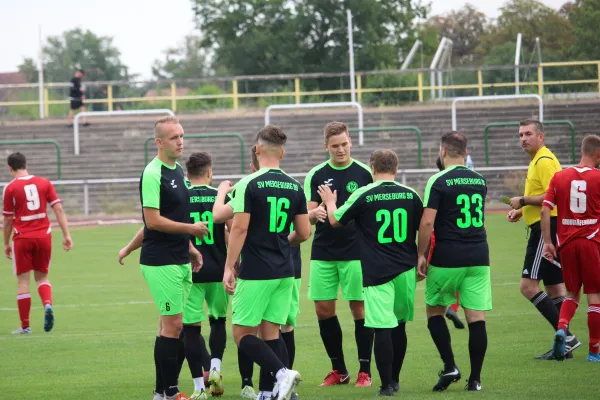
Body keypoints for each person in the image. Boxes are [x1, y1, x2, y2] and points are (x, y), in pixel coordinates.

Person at [120, 152, 231, 399]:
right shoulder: (218, 198)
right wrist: (233, 264)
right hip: (214, 268)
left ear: (187, 174)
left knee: (186, 328)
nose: (180, 142)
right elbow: (233, 230)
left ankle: (195, 388)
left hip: (190, 267)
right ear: (210, 172)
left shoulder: (183, 193)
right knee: (215, 322)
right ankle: (212, 370)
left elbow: (147, 227)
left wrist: (127, 248)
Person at [213, 145, 316, 400]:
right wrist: (281, 243)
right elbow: (304, 233)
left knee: (242, 335)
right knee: (271, 333)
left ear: (257, 150)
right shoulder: (295, 185)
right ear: (282, 152)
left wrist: (228, 266)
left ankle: (283, 374)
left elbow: (233, 226)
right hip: (285, 271)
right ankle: (271, 392)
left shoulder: (248, 183)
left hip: (256, 271)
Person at [318, 149, 421, 396]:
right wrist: (421, 256)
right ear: (396, 168)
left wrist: (331, 202)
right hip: (406, 269)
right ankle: (395, 379)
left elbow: (335, 220)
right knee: (400, 326)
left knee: (382, 327)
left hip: (377, 271)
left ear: (372, 168)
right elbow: (424, 225)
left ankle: (386, 386)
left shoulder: (363, 194)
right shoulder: (412, 195)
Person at [139, 116, 208, 400]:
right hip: (160, 259)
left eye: (181, 135)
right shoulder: (153, 173)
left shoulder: (178, 170)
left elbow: (176, 216)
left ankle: (160, 392)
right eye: (173, 137)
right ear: (159, 142)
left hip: (179, 257)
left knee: (170, 326)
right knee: (174, 326)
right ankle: (170, 392)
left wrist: (189, 246)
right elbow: (152, 221)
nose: (180, 141)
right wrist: (190, 230)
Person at [417, 131, 491, 392]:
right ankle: (475, 380)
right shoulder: (480, 180)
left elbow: (427, 221)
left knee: (434, 311)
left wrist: (421, 254)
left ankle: (450, 365)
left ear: (443, 151)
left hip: (448, 256)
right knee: (476, 317)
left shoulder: (438, 180)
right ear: (466, 153)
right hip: (479, 256)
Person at [304, 121, 374, 387]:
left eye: (344, 144)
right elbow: (307, 214)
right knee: (323, 310)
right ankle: (339, 370)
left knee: (359, 309)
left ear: (350, 142)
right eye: (335, 146)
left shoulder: (365, 173)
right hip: (323, 251)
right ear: (326, 147)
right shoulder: (316, 174)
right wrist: (314, 213)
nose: (341, 150)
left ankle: (364, 371)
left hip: (357, 251)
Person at [506, 119, 580, 359]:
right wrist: (521, 210)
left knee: (527, 286)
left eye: (528, 134)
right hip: (547, 225)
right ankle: (564, 347)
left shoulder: (545, 160)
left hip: (546, 228)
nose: (523, 138)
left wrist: (524, 201)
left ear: (541, 136)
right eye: (520, 135)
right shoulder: (537, 160)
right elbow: (544, 195)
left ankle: (567, 338)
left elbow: (556, 195)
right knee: (554, 288)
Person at [541, 135, 600, 363]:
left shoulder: (560, 177)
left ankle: (563, 329)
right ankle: (594, 352)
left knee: (572, 293)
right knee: (594, 296)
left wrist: (548, 242)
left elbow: (545, 210)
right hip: (591, 242)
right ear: (597, 154)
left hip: (566, 244)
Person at [2, 152, 73, 334]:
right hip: (44, 237)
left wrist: (6, 243)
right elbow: (58, 208)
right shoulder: (44, 183)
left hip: (22, 238)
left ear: (10, 168)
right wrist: (66, 234)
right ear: (26, 164)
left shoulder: (10, 188)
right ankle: (47, 304)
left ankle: (25, 326)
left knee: (23, 282)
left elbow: (8, 220)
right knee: (42, 278)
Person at [432, 157, 464, 330]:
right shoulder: (462, 185)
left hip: (439, 239)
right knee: (459, 276)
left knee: (439, 276)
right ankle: (452, 307)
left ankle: (447, 306)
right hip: (461, 241)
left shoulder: (438, 184)